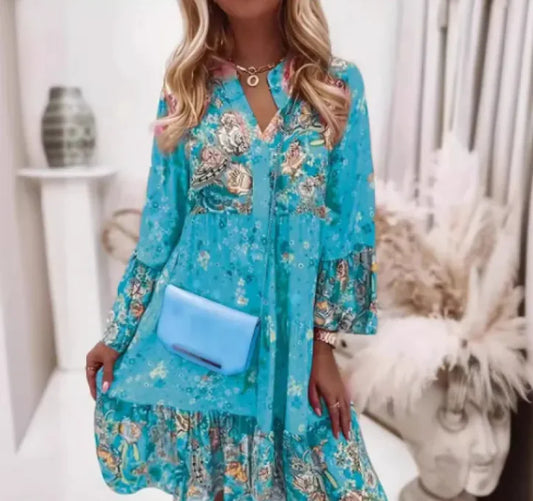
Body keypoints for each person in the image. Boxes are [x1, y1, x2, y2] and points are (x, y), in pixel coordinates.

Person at [85, 0, 387, 499]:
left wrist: (323, 346)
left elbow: (347, 228)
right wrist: (118, 333)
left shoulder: (336, 85)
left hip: (292, 353)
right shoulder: (186, 87)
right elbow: (162, 225)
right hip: (209, 346)